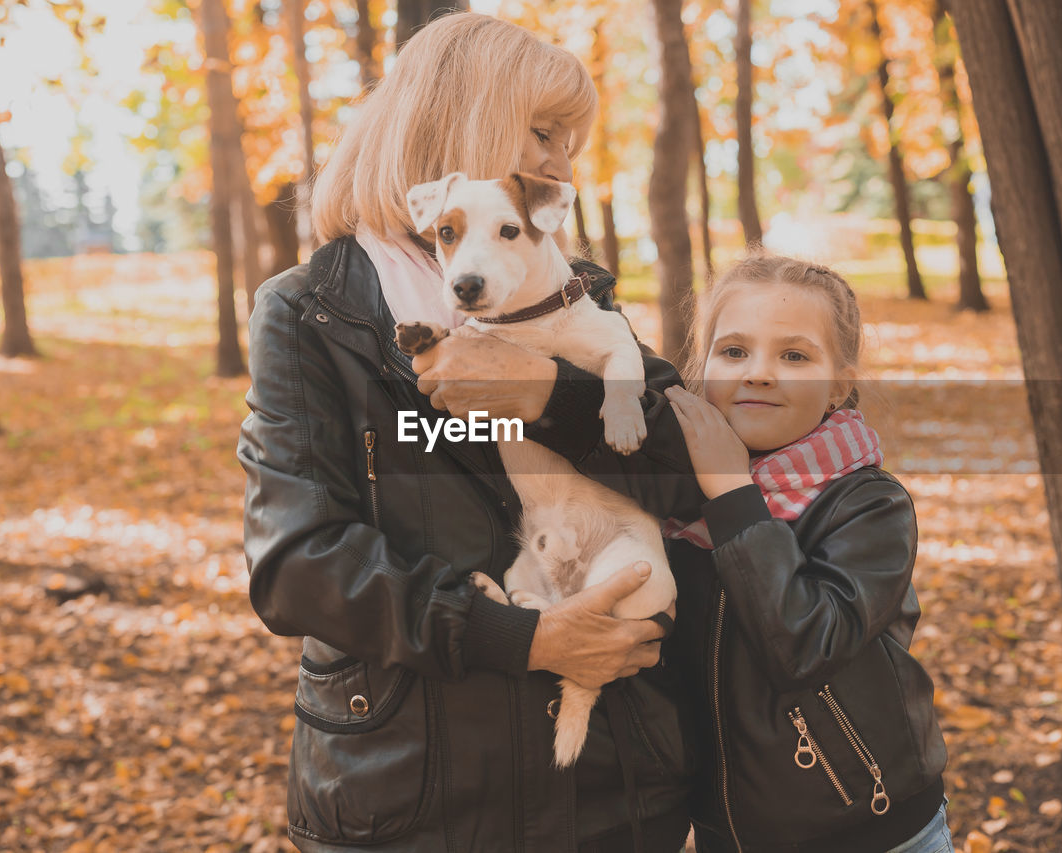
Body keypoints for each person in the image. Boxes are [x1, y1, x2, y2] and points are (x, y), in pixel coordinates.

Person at [237, 12, 702, 853]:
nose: (565, 164)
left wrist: (551, 392)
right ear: (461, 120)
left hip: (610, 792)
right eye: (544, 133)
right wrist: (521, 638)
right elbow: (297, 565)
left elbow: (691, 470)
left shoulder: (570, 294)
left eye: (571, 141)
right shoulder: (310, 313)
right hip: (417, 801)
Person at [660, 254, 950, 853]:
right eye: (734, 351)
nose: (759, 373)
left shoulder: (868, 504)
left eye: (794, 356)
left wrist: (735, 495)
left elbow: (805, 644)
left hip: (873, 833)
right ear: (702, 367)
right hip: (725, 836)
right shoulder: (673, 504)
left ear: (839, 383)